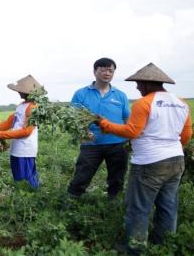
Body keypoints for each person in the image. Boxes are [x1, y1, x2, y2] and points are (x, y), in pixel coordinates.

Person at [97, 63, 192, 254]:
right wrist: (171, 149)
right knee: (168, 205)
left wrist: (104, 124)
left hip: (149, 163)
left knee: (139, 207)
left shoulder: (144, 102)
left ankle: (135, 247)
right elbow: (186, 135)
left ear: (148, 83)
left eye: (139, 83)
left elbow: (132, 131)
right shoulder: (182, 103)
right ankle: (164, 244)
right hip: (175, 160)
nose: (137, 87)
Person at [67, 57, 130, 199]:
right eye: (103, 69)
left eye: (110, 70)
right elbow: (73, 118)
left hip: (118, 143)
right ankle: (72, 200)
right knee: (82, 174)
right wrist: (85, 132)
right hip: (91, 143)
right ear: (95, 71)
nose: (107, 73)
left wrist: (130, 139)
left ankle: (114, 203)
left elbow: (127, 119)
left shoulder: (120, 95)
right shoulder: (81, 93)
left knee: (117, 177)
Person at [0, 75, 40, 188]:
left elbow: (26, 131)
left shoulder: (33, 107)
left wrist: (1, 135)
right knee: (18, 178)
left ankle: (32, 200)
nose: (18, 92)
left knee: (27, 179)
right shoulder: (22, 105)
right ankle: (22, 200)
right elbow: (9, 122)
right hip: (17, 148)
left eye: (20, 90)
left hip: (25, 149)